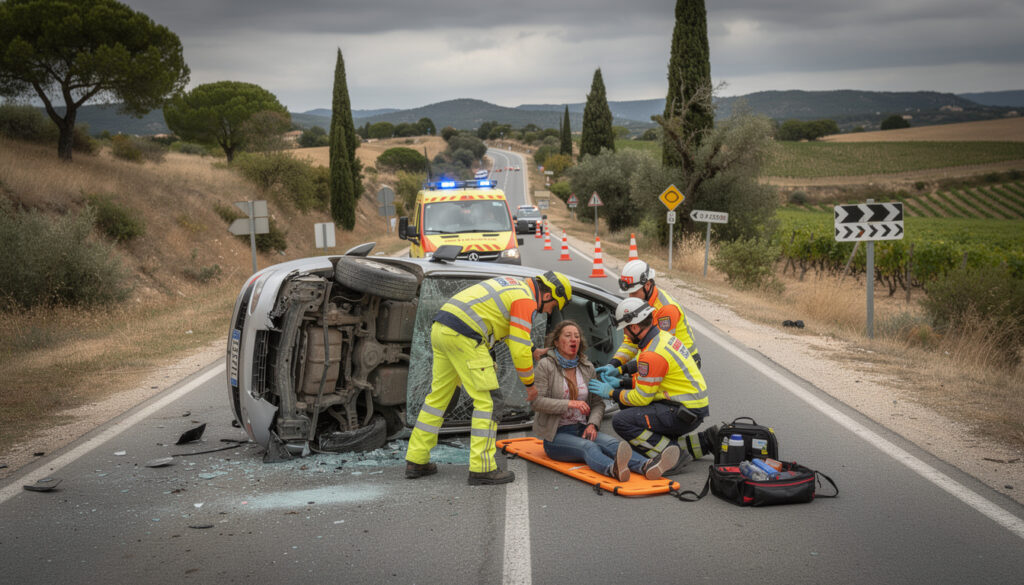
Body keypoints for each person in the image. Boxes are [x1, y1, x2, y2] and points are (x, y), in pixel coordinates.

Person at [405, 271, 574, 485]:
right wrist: (530, 385)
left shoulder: (515, 286)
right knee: (488, 401)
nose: (550, 311)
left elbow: (509, 331)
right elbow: (518, 349)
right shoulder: (526, 299)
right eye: (555, 305)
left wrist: (532, 349)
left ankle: (416, 459)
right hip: (466, 336)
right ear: (549, 295)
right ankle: (482, 468)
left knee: (438, 399)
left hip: (443, 329)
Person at [529, 320, 681, 482]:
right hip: (556, 435)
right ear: (557, 342)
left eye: (577, 336)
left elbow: (597, 404)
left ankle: (647, 466)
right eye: (568, 336)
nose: (574, 339)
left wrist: (593, 424)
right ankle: (612, 469)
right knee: (589, 447)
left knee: (612, 444)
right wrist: (569, 404)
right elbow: (537, 402)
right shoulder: (546, 366)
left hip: (582, 428)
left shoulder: (586, 367)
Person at [588, 297, 717, 476]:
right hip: (689, 405)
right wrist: (620, 375)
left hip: (683, 411)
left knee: (622, 420)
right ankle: (701, 443)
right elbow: (652, 378)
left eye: (625, 329)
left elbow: (642, 397)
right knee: (630, 406)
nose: (625, 334)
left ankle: (674, 456)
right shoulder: (661, 337)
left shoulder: (652, 353)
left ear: (634, 327)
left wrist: (610, 392)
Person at [609, 259, 701, 369]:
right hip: (667, 358)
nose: (631, 297)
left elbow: (658, 348)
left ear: (647, 285)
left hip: (685, 363)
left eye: (634, 293)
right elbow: (632, 339)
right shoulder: (640, 304)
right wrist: (614, 363)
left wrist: (625, 369)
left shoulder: (666, 309)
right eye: (629, 293)